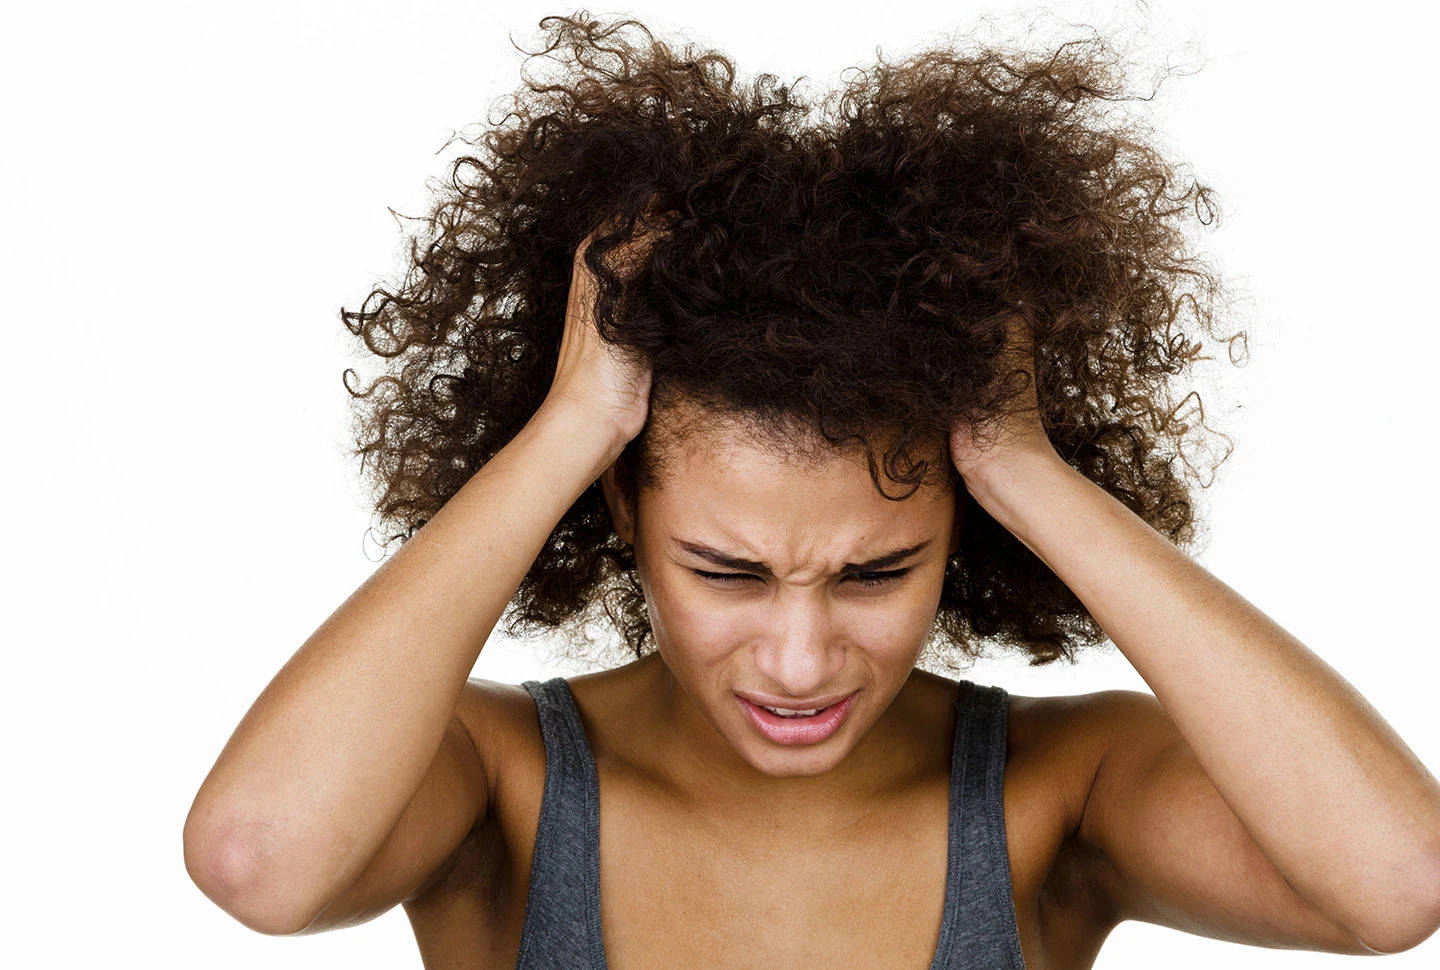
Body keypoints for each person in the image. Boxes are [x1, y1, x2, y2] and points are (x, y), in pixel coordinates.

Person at [182, 14, 1440, 967]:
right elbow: (258, 862)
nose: (799, 660)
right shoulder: (502, 783)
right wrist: (574, 427)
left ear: (959, 529)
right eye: (727, 571)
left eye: (877, 571)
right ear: (623, 512)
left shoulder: (1058, 790)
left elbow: (1398, 884)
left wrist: (1022, 466)